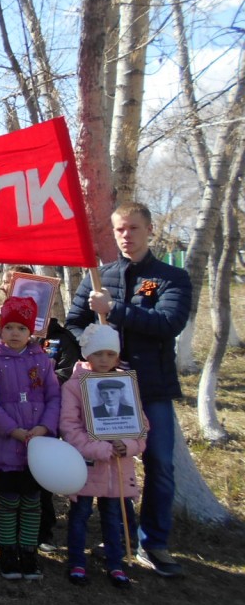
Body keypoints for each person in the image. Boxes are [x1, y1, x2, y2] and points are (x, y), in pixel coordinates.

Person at [66, 201, 191, 578]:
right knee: (108, 460)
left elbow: (168, 322)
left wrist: (113, 309)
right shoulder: (98, 276)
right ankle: (117, 536)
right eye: (120, 229)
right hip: (103, 389)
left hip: (150, 388)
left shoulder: (171, 277)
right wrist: (97, 352)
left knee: (159, 463)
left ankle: (154, 542)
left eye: (134, 228)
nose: (126, 235)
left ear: (149, 230)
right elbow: (74, 323)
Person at [60, 323, 147, 589]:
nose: (104, 360)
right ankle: (76, 561)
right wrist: (101, 449)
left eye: (110, 354)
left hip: (118, 469)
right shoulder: (75, 386)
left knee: (113, 517)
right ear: (87, 354)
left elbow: (141, 427)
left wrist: (128, 446)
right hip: (87, 467)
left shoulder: (126, 385)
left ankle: (115, 563)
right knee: (80, 515)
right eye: (98, 353)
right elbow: (69, 427)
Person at [0, 296, 61, 581]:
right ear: (1, 328)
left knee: (32, 501)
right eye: (9, 327)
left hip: (37, 446)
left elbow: (54, 397)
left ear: (31, 331)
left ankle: (28, 551)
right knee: (9, 500)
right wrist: (13, 430)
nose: (15, 333)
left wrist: (44, 427)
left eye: (21, 328)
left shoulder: (41, 359)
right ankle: (8, 551)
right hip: (6, 444)